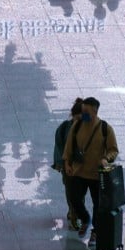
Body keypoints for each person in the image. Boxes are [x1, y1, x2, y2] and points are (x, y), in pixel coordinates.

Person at [62, 97, 118, 245]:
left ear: (95, 111)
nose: (83, 114)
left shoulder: (105, 128)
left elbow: (113, 149)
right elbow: (69, 146)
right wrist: (67, 163)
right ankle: (85, 218)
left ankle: (96, 232)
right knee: (74, 197)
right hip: (79, 172)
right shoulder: (77, 125)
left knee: (98, 204)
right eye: (82, 110)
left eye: (86, 111)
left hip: (96, 174)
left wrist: (107, 158)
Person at [52, 97, 82, 229]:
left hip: (83, 168)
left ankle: (74, 212)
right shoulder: (65, 128)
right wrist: (61, 164)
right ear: (73, 116)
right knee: (72, 192)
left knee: (79, 193)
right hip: (69, 167)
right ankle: (74, 214)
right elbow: (59, 147)